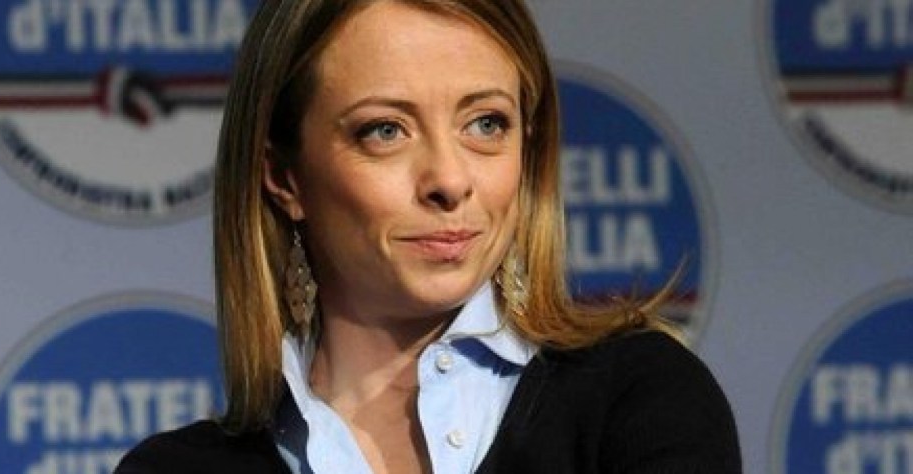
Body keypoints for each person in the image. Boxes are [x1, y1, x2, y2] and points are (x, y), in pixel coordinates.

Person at [116, 0, 742, 472]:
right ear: (285, 177)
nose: (449, 179)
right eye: (386, 130)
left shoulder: (640, 401)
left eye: (486, 123)